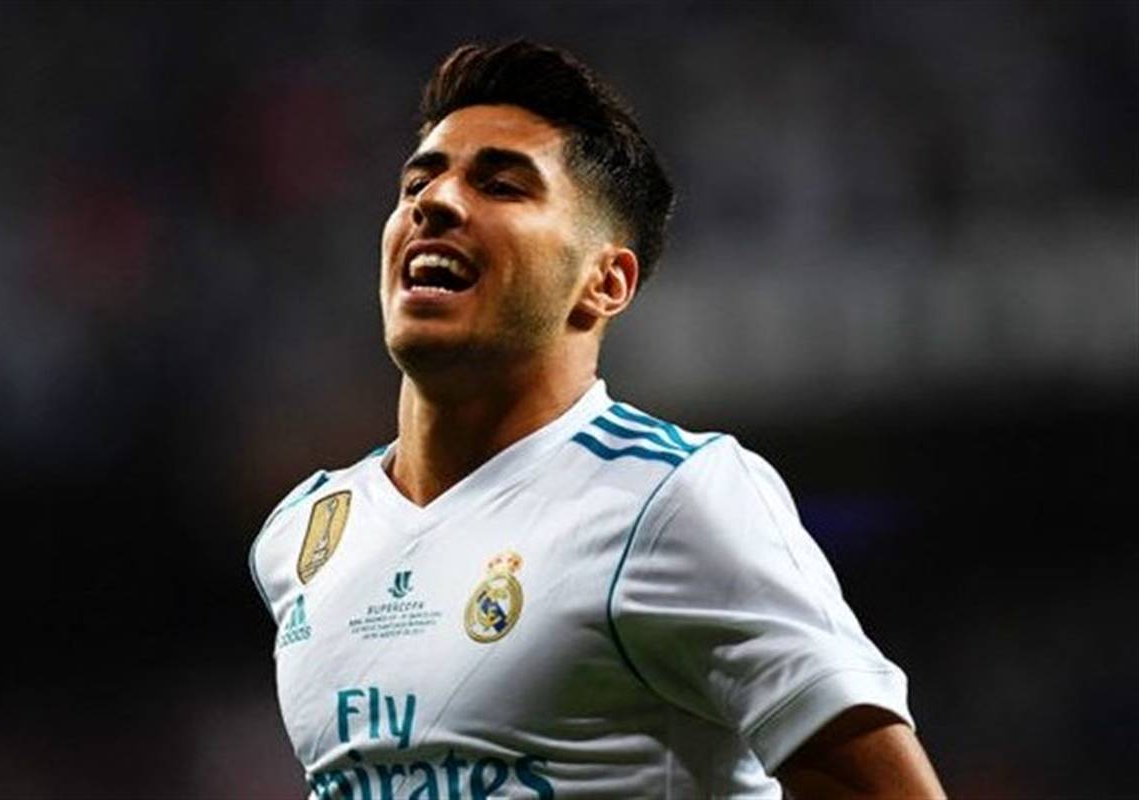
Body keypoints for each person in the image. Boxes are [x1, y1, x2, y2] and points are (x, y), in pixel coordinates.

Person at [250, 40, 945, 799]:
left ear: (605, 282)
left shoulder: (670, 498)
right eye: (419, 180)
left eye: (502, 185)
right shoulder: (307, 534)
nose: (435, 202)